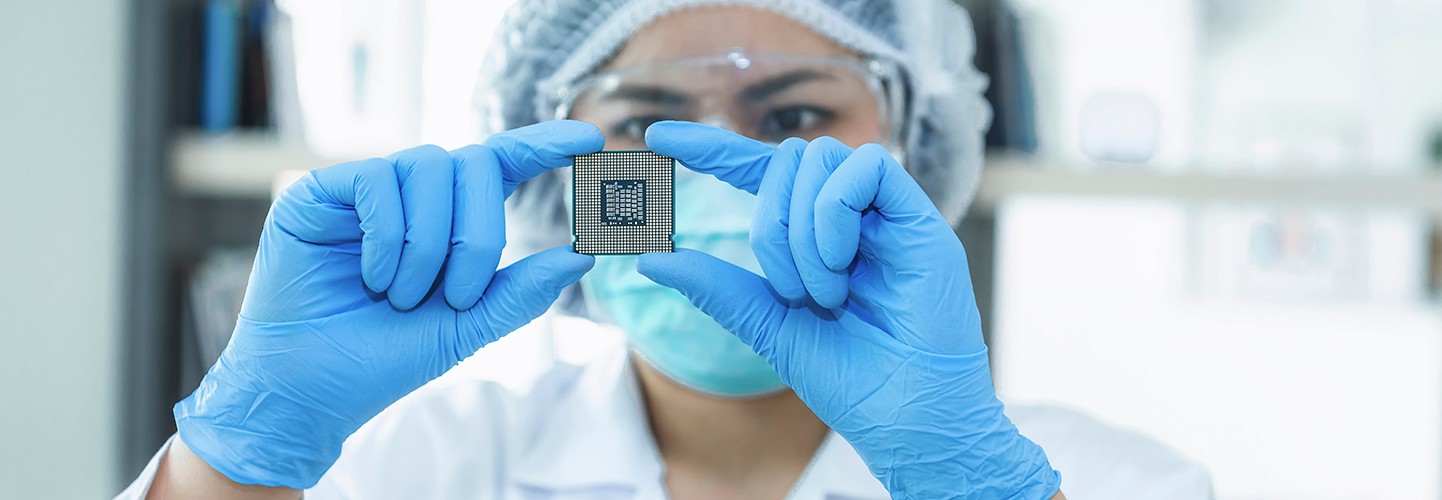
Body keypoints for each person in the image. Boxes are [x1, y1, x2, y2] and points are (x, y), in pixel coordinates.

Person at [119, 1, 1214, 498]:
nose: (709, 170)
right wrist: (240, 455)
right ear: (558, 169)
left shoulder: (1109, 481)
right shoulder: (421, 469)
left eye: (790, 121)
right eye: (641, 126)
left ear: (915, 151)